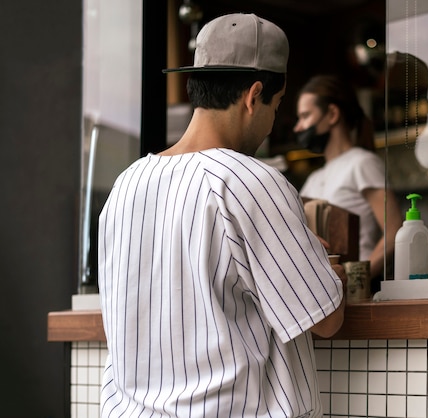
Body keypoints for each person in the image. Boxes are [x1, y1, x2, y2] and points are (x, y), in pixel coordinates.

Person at [98, 13, 347, 418]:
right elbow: (326, 319)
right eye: (278, 105)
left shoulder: (126, 184)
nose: (272, 123)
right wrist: (321, 265)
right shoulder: (250, 181)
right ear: (254, 96)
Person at [293, 74, 403, 291]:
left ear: (332, 114)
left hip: (355, 294)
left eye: (305, 116)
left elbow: (394, 231)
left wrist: (356, 280)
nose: (298, 127)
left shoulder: (362, 163)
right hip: (322, 296)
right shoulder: (313, 179)